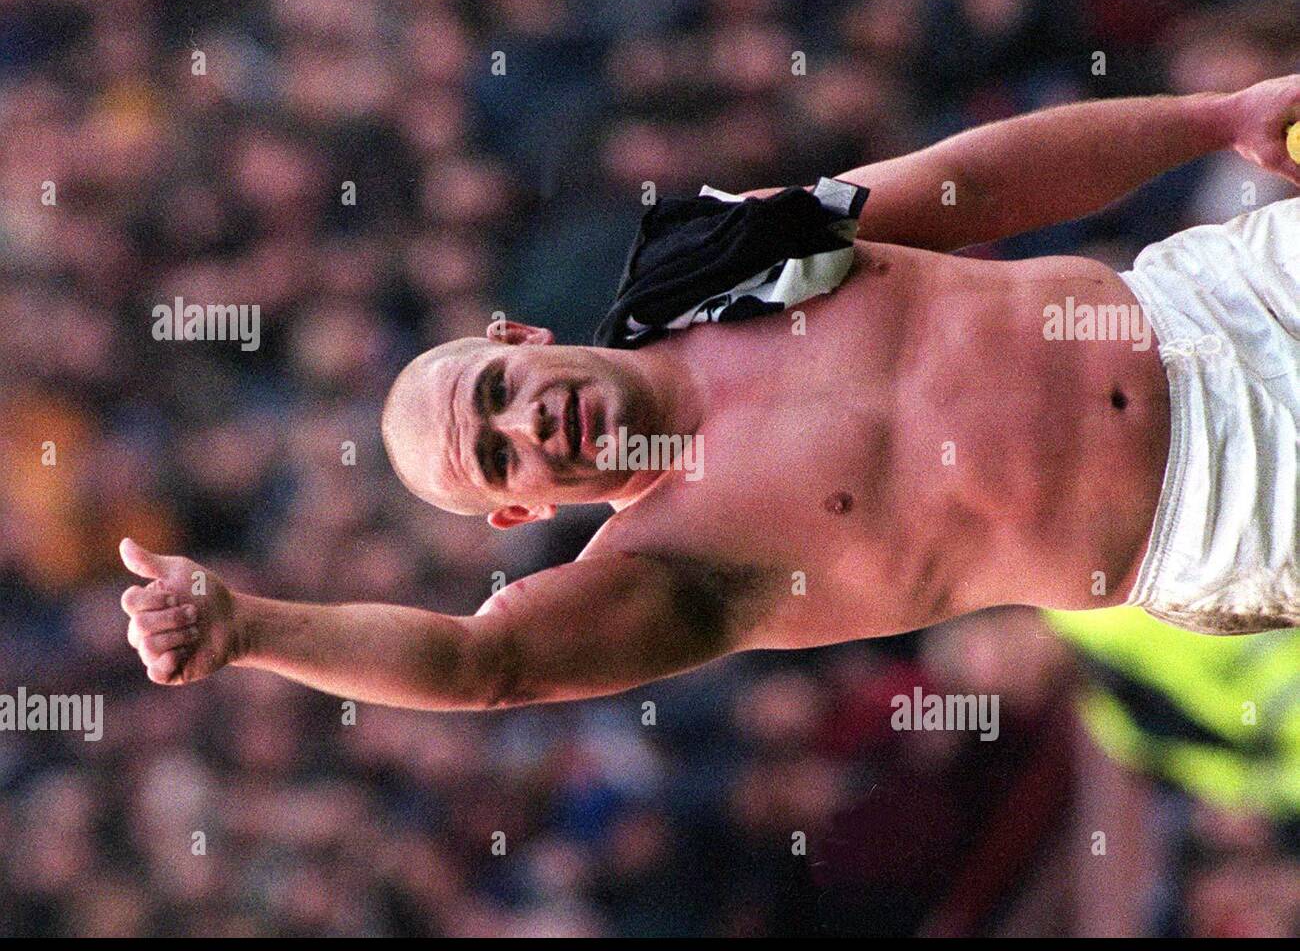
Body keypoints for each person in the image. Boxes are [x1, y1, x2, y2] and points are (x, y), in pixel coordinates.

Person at [122, 76, 1300, 711]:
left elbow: (970, 185)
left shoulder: (712, 264)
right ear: (520, 512)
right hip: (1225, 514)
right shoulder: (677, 570)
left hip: (1216, 298)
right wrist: (252, 630)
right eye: (496, 456)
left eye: (496, 391)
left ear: (519, 336)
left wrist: (1210, 120)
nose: (525, 424)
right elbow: (480, 668)